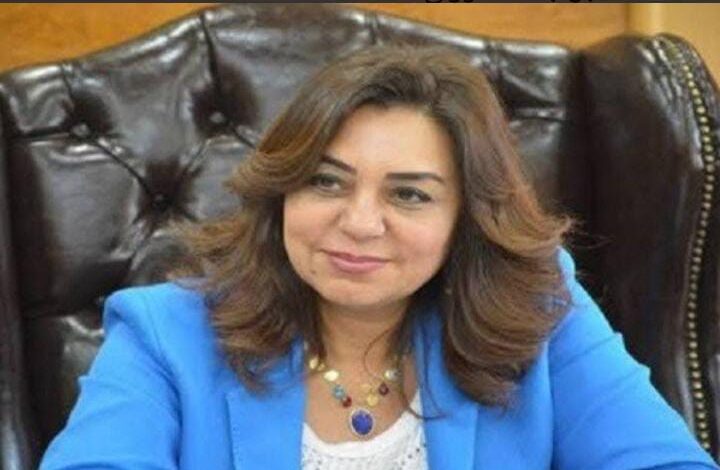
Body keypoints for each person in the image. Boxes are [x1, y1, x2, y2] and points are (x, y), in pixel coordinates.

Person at [39, 44, 718, 470]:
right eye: (325, 182)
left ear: (467, 218)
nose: (360, 224)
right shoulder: (166, 333)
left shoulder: (540, 313)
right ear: (282, 192)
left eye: (410, 195)